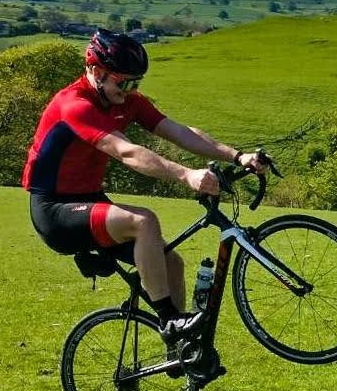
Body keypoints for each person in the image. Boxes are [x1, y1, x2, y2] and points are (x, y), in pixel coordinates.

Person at [22, 28, 266, 350]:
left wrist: (238, 156)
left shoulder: (126, 100)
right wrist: (186, 176)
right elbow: (128, 152)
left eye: (136, 83)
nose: (130, 91)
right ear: (97, 72)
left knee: (172, 263)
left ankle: (182, 348)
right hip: (54, 209)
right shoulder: (74, 105)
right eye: (124, 82)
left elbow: (181, 133)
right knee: (144, 221)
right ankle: (169, 319)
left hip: (90, 199)